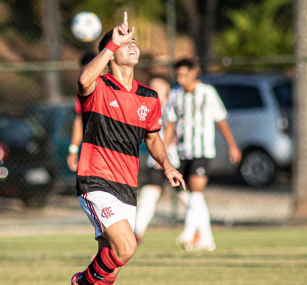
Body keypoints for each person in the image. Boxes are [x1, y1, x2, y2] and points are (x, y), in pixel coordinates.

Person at [71, 12, 185, 285]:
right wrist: (111, 44)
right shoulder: (98, 88)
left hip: (126, 184)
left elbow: (153, 138)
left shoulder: (149, 96)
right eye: (124, 42)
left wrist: (167, 165)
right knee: (127, 247)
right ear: (110, 54)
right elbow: (84, 81)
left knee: (111, 266)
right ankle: (81, 282)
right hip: (95, 181)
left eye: (133, 41)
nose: (132, 45)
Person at [164, 58, 242, 252]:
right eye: (178, 75)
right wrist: (163, 152)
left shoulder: (207, 93)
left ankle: (188, 234)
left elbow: (221, 120)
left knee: (196, 189)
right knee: (186, 193)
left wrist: (232, 145)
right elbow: (170, 125)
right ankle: (207, 238)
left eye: (184, 74)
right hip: (182, 151)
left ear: (193, 72)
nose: (181, 79)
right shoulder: (174, 95)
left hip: (203, 150)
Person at [134, 77, 191, 243]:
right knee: (148, 194)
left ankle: (200, 231)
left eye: (158, 86)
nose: (154, 89)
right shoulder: (151, 106)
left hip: (175, 159)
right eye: (152, 86)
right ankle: (137, 232)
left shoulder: (173, 106)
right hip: (158, 161)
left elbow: (175, 130)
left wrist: (164, 150)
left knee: (189, 197)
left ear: (167, 88)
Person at [67, 52, 97, 172]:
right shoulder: (83, 90)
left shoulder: (114, 85)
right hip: (93, 148)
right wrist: (73, 149)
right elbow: (80, 119)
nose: (85, 75)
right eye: (82, 72)